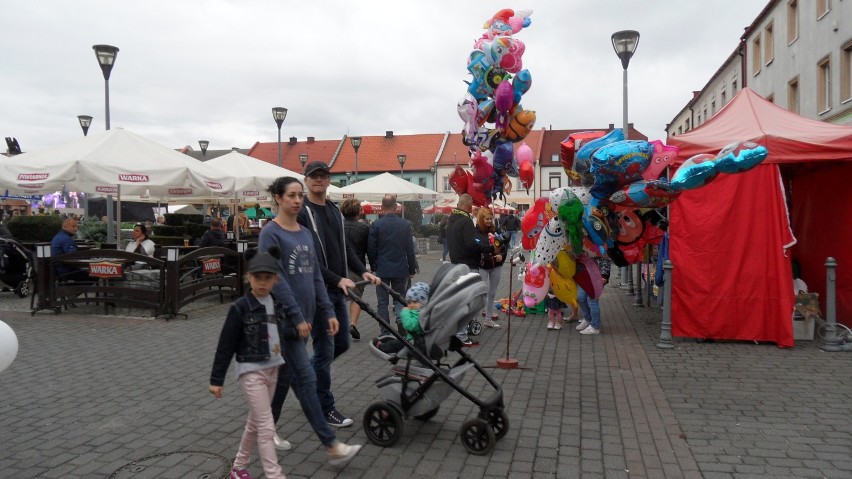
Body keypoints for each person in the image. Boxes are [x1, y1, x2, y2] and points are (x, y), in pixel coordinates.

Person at [258, 176, 361, 466]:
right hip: (282, 320)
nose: (297, 200)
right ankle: (332, 445)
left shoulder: (304, 233)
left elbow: (315, 276)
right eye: (290, 195)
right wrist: (296, 315)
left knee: (285, 378)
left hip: (306, 318)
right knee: (304, 379)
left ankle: (266, 430)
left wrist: (327, 311)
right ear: (277, 198)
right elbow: (274, 278)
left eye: (299, 196)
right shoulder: (271, 233)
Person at [297, 161, 380, 427]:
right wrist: (337, 278)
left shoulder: (333, 211)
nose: (319, 180)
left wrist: (361, 270)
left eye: (323, 176)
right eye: (314, 176)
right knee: (324, 349)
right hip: (316, 291)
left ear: (328, 180)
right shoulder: (302, 213)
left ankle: (304, 379)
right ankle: (324, 407)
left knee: (342, 342)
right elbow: (307, 258)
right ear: (306, 180)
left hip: (335, 289)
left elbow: (344, 248)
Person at [209, 247, 289, 479]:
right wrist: (216, 379)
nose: (262, 283)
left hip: (273, 369)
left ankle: (238, 468)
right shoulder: (240, 308)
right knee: (266, 427)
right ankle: (275, 475)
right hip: (251, 370)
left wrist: (300, 328)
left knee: (256, 422)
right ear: (249, 277)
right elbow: (225, 345)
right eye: (257, 277)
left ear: (276, 279)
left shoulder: (277, 302)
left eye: (268, 278)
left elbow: (281, 332)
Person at [367, 194, 418, 337]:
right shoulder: (405, 224)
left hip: (382, 269)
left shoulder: (376, 225)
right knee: (400, 298)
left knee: (382, 302)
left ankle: (385, 331)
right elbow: (410, 249)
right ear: (396, 207)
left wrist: (373, 266)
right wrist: (412, 268)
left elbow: (371, 248)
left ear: (382, 208)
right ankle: (401, 320)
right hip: (401, 269)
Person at [446, 194, 492, 346]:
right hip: (468, 265)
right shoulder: (465, 221)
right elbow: (471, 244)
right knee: (468, 301)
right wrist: (486, 248)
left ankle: (456, 331)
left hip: (455, 264)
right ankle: (462, 335)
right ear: (468, 206)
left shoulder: (450, 220)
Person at [340, 198, 369, 341]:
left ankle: (336, 323)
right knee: (356, 297)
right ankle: (352, 324)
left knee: (338, 297)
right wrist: (372, 267)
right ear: (358, 212)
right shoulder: (364, 228)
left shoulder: (338, 226)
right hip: (358, 267)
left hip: (339, 267)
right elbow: (369, 248)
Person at [474, 207, 508, 329]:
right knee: (480, 293)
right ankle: (474, 319)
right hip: (482, 266)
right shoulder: (476, 232)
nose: (489, 221)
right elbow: (477, 248)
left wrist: (501, 255)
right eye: (486, 219)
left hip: (496, 266)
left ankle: (488, 319)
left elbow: (504, 246)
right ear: (481, 219)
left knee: (492, 293)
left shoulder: (496, 230)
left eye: (490, 218)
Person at [576, 257, 612, 335]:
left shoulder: (601, 246)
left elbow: (606, 257)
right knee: (580, 297)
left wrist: (604, 275)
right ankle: (588, 319)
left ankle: (595, 326)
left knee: (592, 301)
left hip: (597, 276)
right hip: (584, 274)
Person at [50, 218, 90, 283]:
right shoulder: (66, 239)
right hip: (66, 271)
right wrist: (87, 258)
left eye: (76, 226)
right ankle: (72, 290)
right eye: (73, 226)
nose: (76, 229)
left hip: (58, 270)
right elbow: (73, 256)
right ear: (65, 226)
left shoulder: (58, 236)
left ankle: (72, 290)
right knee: (93, 276)